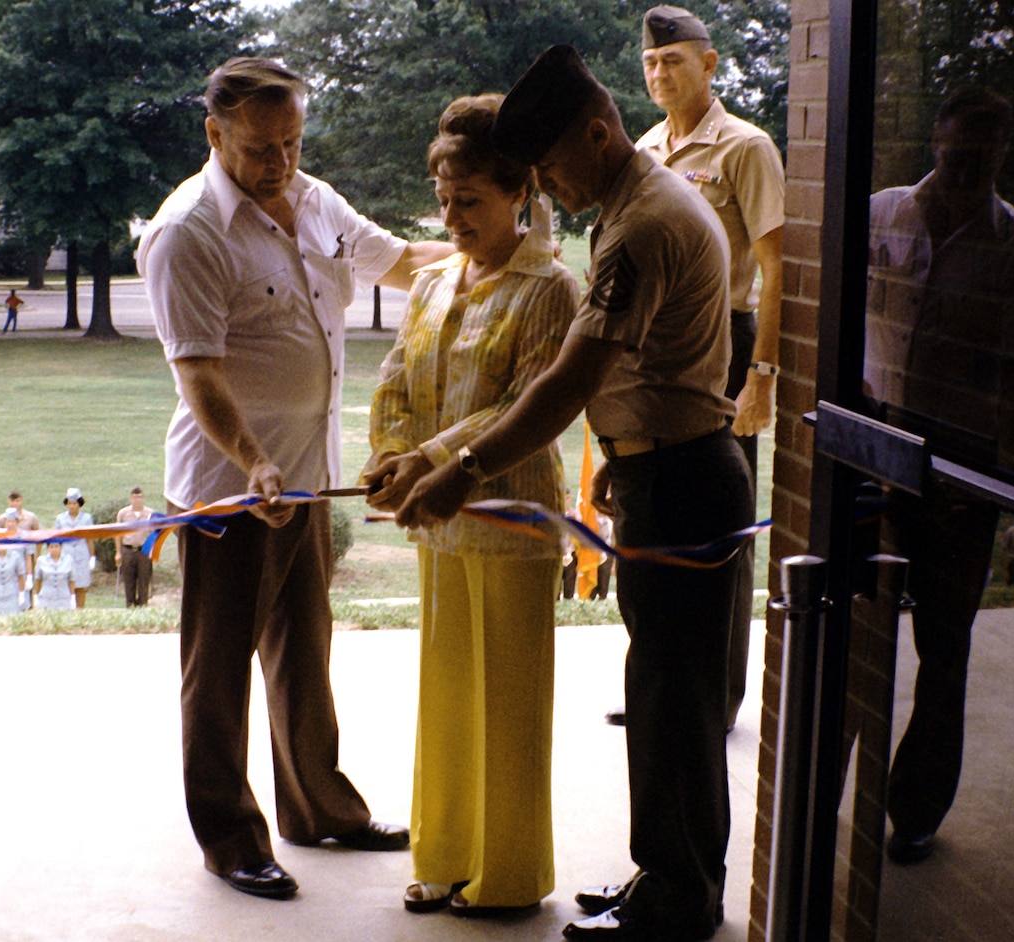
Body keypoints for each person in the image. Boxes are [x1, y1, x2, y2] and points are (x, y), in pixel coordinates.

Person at [392, 46, 751, 941]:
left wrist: (464, 471)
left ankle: (681, 899)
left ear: (597, 132)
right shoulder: (639, 204)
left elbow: (564, 381)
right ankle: (663, 875)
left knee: (679, 700)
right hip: (658, 472)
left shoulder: (640, 225)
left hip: (682, 478)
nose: (547, 182)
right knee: (663, 690)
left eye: (551, 165)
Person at [136, 56, 451, 900]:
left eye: (292, 142)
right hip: (232, 488)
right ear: (214, 133)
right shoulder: (188, 230)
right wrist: (255, 463)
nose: (280, 163)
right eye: (260, 147)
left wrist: (489, 245)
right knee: (219, 667)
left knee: (304, 653)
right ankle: (231, 838)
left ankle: (320, 811)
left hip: (309, 479)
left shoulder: (316, 200)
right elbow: (199, 373)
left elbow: (398, 260)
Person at [362, 94, 579, 915]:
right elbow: (396, 381)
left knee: (510, 705)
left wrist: (430, 456)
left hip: (512, 519)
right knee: (446, 694)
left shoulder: (551, 289)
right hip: (437, 523)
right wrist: (391, 455)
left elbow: (525, 407)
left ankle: (508, 874)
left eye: (471, 202)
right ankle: (444, 854)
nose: (451, 218)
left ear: (519, 194)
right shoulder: (432, 282)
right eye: (444, 201)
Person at [864, 87, 1014, 865]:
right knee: (857, 626)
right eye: (953, 148)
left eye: (982, 153)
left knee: (944, 646)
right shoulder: (880, 215)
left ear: (1003, 152)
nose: (964, 164)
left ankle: (915, 809)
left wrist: (1001, 487)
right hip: (873, 450)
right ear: (935, 138)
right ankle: (840, 781)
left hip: (958, 473)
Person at [632, 5, 786, 731]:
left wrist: (763, 375)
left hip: (726, 342)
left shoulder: (744, 147)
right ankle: (662, 685)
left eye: (674, 62)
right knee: (655, 513)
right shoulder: (646, 148)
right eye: (651, 64)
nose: (661, 75)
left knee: (721, 519)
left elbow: (779, 267)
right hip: (658, 350)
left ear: (710, 64)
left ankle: (717, 697)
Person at [54, 487, 95, 609]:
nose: (72, 506)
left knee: (80, 586)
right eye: (69, 503)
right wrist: (57, 556)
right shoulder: (60, 518)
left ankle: (80, 610)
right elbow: (57, 539)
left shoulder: (86, 518)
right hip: (66, 553)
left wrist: (92, 556)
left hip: (82, 553)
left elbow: (90, 538)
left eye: (74, 503)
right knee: (66, 584)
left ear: (79, 504)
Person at [114, 486, 154, 607]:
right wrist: (118, 552)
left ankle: (143, 608)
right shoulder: (123, 513)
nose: (137, 499)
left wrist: (153, 551)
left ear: (143, 498)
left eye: (140, 497)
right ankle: (129, 606)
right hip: (128, 550)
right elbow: (117, 533)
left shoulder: (150, 514)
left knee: (144, 582)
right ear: (130, 498)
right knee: (129, 581)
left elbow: (154, 534)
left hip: (144, 550)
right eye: (135, 497)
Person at [33, 541, 75, 610]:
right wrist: (36, 596)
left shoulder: (69, 559)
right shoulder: (41, 560)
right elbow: (38, 579)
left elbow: (71, 580)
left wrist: (72, 596)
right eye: (51, 547)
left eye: (56, 546)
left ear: (61, 547)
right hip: (46, 597)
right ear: (48, 548)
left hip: (63, 597)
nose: (54, 549)